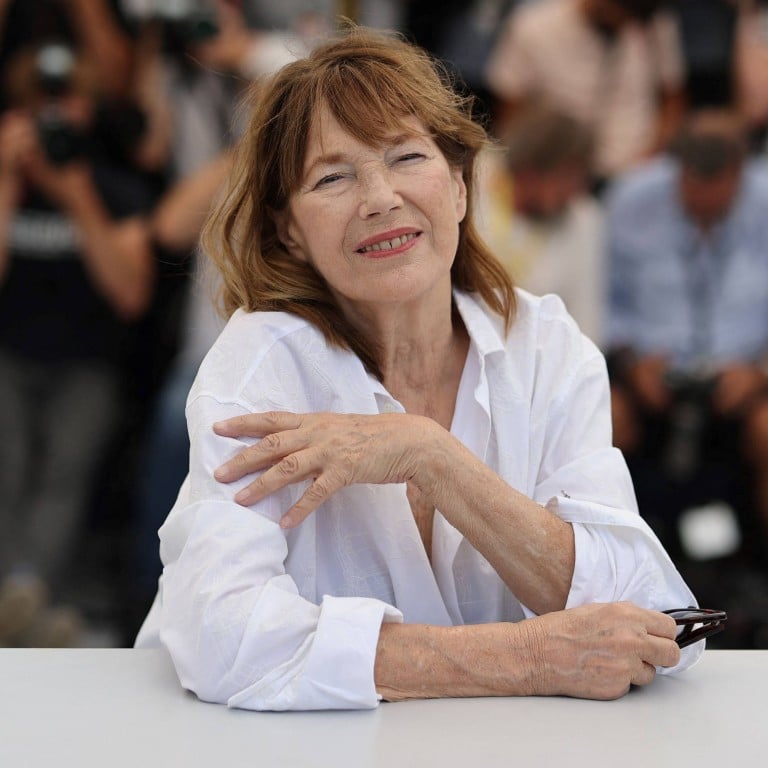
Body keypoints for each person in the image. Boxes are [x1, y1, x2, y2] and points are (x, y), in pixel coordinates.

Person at [135, 27, 701, 710]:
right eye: (333, 176)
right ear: (289, 230)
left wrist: (433, 458)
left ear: (461, 188)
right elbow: (223, 637)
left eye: (406, 156)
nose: (379, 198)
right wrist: (525, 657)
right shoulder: (260, 363)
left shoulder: (547, 348)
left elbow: (650, 619)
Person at [0, 40, 155, 645]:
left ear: (88, 110)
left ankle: (27, 593)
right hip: (9, 353)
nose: (54, 117)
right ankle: (17, 599)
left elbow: (130, 293)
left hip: (88, 362)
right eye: (41, 104)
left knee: (65, 468)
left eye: (65, 102)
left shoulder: (115, 188)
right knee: (5, 462)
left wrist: (75, 196)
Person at [605, 108, 768, 550]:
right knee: (601, 425)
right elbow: (604, 299)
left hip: (748, 375)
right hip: (646, 371)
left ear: (740, 173)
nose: (702, 205)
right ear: (676, 168)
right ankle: (615, 567)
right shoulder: (631, 199)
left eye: (717, 193)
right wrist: (630, 361)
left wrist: (759, 372)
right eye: (692, 188)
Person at [485, 0, 686, 181]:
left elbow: (672, 99)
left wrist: (652, 158)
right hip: (557, 178)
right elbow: (510, 111)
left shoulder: (653, 24)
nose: (626, 23)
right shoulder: (533, 26)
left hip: (634, 169)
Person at [476, 103, 605, 344]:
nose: (575, 191)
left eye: (581, 178)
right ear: (529, 169)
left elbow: (586, 320)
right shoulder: (473, 180)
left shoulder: (584, 218)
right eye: (568, 176)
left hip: (535, 354)